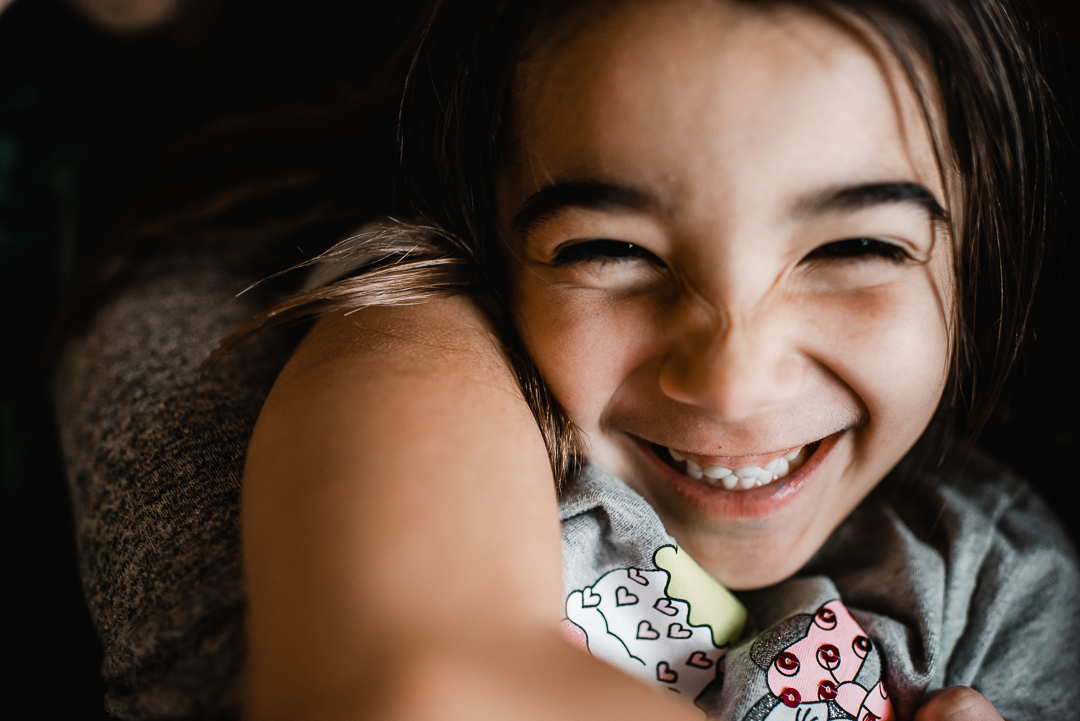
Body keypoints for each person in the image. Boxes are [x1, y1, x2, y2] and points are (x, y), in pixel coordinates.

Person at [60, 0, 1079, 718]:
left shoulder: (1000, 587)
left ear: (979, 249)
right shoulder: (408, 345)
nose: (733, 381)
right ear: (478, 227)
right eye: (612, 251)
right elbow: (421, 699)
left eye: (857, 247)